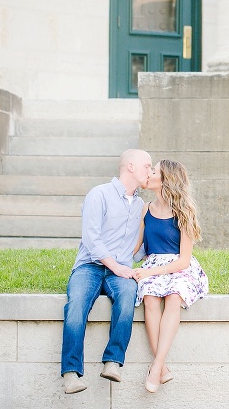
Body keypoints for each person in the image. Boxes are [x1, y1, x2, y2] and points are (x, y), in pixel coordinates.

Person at [60, 149, 152, 395]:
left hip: (120, 271)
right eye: (147, 166)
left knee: (128, 294)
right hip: (89, 266)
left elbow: (138, 248)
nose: (150, 171)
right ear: (131, 166)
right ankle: (70, 373)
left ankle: (113, 361)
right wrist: (118, 267)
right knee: (76, 303)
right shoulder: (98, 194)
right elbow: (92, 239)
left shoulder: (141, 205)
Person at [132, 159, 209, 393]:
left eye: (153, 171)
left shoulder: (184, 212)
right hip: (153, 262)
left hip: (178, 266)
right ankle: (162, 366)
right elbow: (135, 248)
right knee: (150, 297)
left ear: (165, 179)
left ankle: (156, 366)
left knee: (174, 296)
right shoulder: (146, 209)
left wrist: (150, 271)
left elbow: (183, 260)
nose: (149, 173)